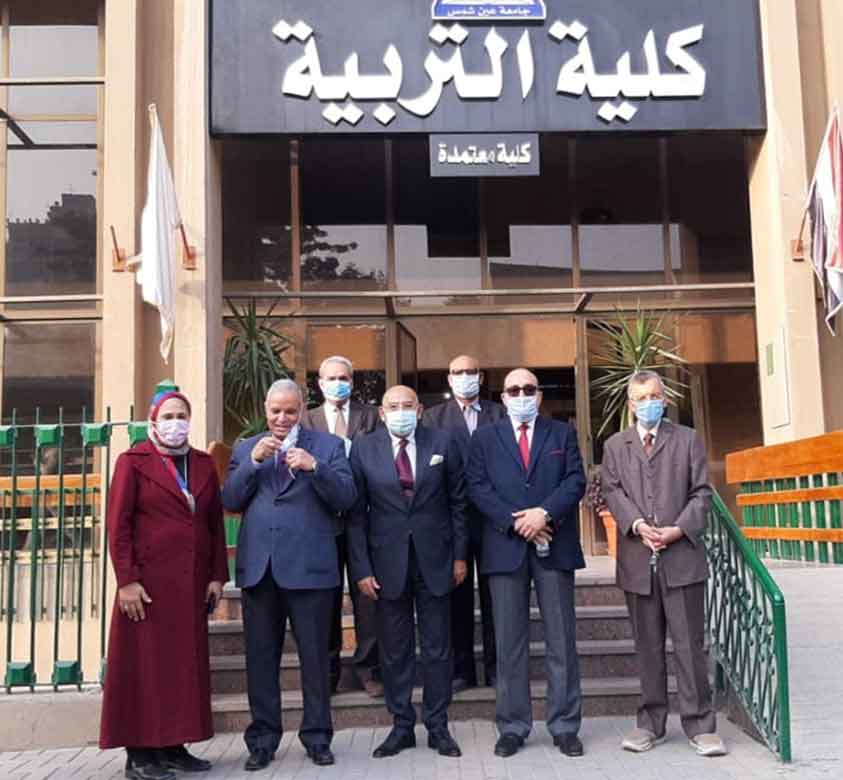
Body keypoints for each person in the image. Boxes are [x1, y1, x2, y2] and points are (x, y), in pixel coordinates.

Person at [222, 379, 357, 771]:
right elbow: (230, 500)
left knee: (315, 659)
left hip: (310, 569)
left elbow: (347, 497)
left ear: (303, 409)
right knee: (260, 660)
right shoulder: (247, 448)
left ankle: (317, 737)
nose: (282, 418)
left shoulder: (329, 447)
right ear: (266, 410)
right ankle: (263, 740)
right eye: (275, 411)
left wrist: (316, 469)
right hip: (260, 570)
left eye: (290, 411)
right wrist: (254, 464)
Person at [100, 389, 228, 780]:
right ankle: (140, 755)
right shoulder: (133, 462)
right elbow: (118, 527)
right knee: (144, 669)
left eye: (182, 415)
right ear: (154, 421)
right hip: (147, 589)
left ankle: (174, 745)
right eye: (168, 416)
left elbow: (214, 525)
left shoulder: (203, 464)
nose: (176, 423)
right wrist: (127, 581)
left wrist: (217, 576)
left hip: (189, 588)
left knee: (181, 668)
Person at [601, 370, 727, 757]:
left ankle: (700, 724)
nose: (648, 403)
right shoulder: (615, 445)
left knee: (689, 644)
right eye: (641, 398)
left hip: (682, 558)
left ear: (665, 399)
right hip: (638, 560)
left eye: (654, 396)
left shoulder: (686, 439)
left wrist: (677, 529)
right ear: (630, 404)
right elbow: (611, 490)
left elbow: (702, 492)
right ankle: (650, 722)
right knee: (648, 645)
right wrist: (637, 525)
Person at [466, 368, 586, 759]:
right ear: (502, 397)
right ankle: (513, 726)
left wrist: (544, 514)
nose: (521, 395)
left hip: (555, 544)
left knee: (561, 641)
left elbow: (575, 481)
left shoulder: (561, 434)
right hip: (505, 548)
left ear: (539, 396)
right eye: (514, 389)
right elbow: (478, 487)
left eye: (528, 389)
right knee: (509, 643)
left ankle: (565, 726)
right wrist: (519, 523)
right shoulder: (484, 438)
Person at [348, 385, 468, 759]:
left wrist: (460, 557)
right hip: (386, 564)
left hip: (436, 559)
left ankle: (438, 726)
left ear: (419, 410)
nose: (400, 411)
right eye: (392, 406)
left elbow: (458, 503)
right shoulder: (364, 447)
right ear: (381, 413)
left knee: (437, 647)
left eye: (407, 405)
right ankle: (401, 726)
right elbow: (355, 516)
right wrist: (361, 568)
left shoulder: (443, 441)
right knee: (395, 649)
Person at [422, 354, 504, 692]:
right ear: (449, 377)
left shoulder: (499, 413)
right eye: (458, 372)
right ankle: (462, 670)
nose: (465, 376)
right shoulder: (432, 417)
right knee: (456, 599)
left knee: (495, 597)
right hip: (450, 520)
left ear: (481, 376)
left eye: (471, 371)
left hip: (493, 520)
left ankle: (499, 669)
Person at [301, 355, 382, 697]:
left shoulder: (370, 416)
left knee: (369, 597)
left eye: (344, 377)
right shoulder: (306, 418)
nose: (338, 383)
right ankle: (329, 669)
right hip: (322, 521)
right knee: (325, 598)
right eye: (331, 378)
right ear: (320, 383)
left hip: (363, 518)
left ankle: (369, 668)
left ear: (352, 380)